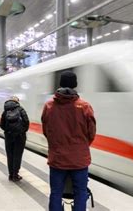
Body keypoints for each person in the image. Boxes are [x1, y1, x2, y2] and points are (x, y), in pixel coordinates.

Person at [41, 71, 96, 211]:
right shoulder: (85, 106)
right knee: (80, 193)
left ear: (60, 83)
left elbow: (46, 131)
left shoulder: (49, 106)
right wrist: (80, 146)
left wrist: (56, 145)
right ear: (75, 84)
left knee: (56, 193)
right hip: (79, 160)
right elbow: (91, 133)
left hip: (57, 159)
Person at [0, 96, 29, 182]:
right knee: (17, 155)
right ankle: (15, 174)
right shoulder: (21, 110)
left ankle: (10, 174)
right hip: (20, 137)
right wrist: (22, 131)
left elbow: (1, 125)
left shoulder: (5, 111)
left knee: (10, 155)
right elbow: (26, 121)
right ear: (17, 102)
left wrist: (8, 131)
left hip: (9, 136)